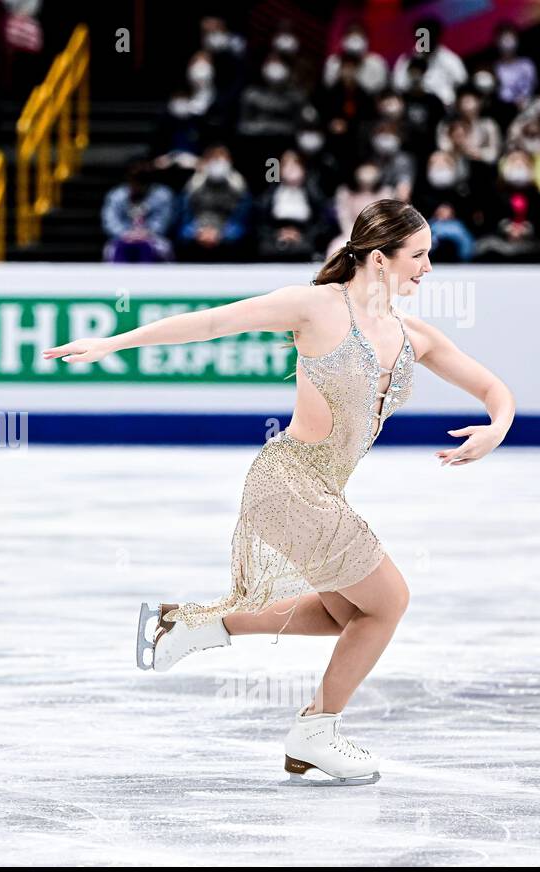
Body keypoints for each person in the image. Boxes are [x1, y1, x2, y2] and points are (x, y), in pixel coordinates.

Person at [42, 199, 515, 785]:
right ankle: (315, 732)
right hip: (286, 483)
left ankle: (196, 626)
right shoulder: (316, 306)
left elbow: (494, 388)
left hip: (324, 492)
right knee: (388, 602)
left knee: (349, 614)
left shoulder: (413, 336)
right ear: (377, 257)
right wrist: (112, 344)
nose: (428, 269)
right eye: (417, 256)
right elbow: (211, 321)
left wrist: (496, 428)